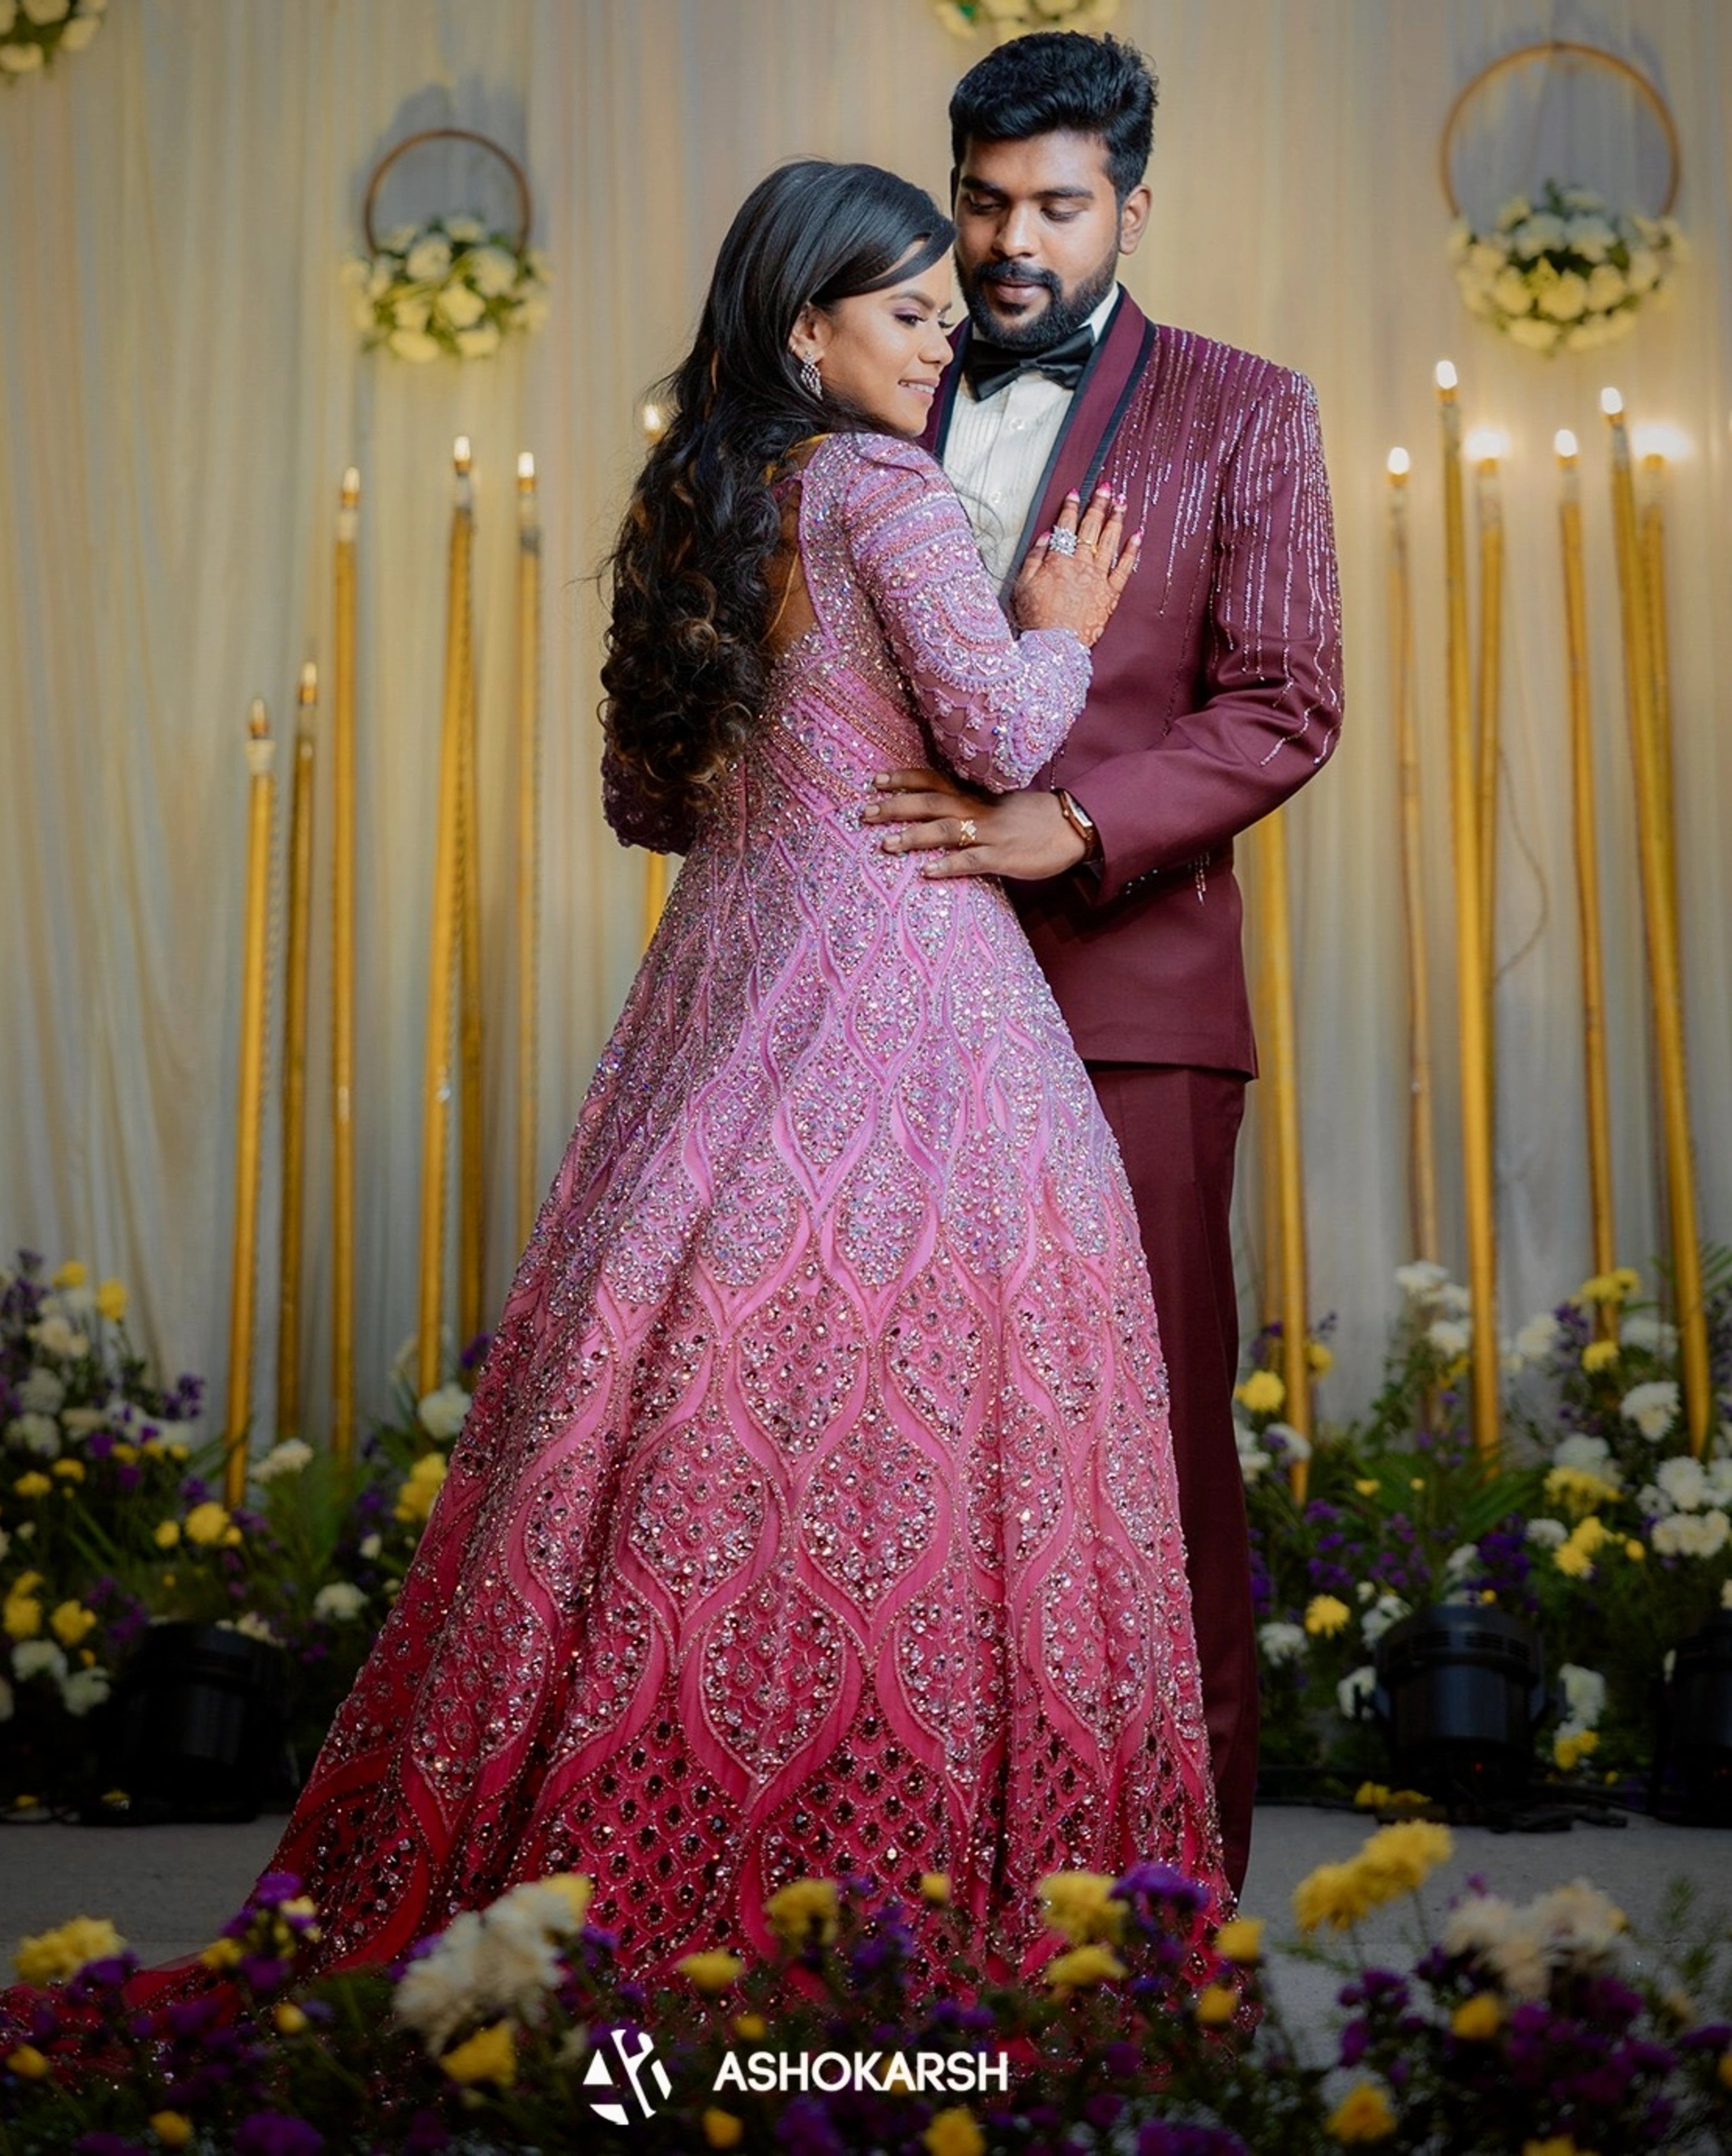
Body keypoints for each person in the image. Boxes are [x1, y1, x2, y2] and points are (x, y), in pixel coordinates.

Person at [265, 158, 1225, 1983]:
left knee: (710, 1402)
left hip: (726, 984)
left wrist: (794, 791)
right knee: (946, 1420)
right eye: (910, 313)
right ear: (807, 325)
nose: (946, 342)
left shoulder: (699, 492)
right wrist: (1067, 618)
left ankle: (642, 1837)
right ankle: (911, 1859)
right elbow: (1010, 734)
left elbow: (648, 798)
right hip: (909, 990)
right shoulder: (884, 486)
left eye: (948, 313)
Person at [863, 33, 1343, 1895]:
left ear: (1131, 207)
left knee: (1144, 1471)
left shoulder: (1244, 408)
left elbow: (1282, 701)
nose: (1008, 243)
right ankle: (904, 1898)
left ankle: (1173, 1926)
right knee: (900, 1458)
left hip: (1125, 1009)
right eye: (982, 201)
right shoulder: (868, 390)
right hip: (875, 1010)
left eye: (1054, 205)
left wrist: (1060, 829)